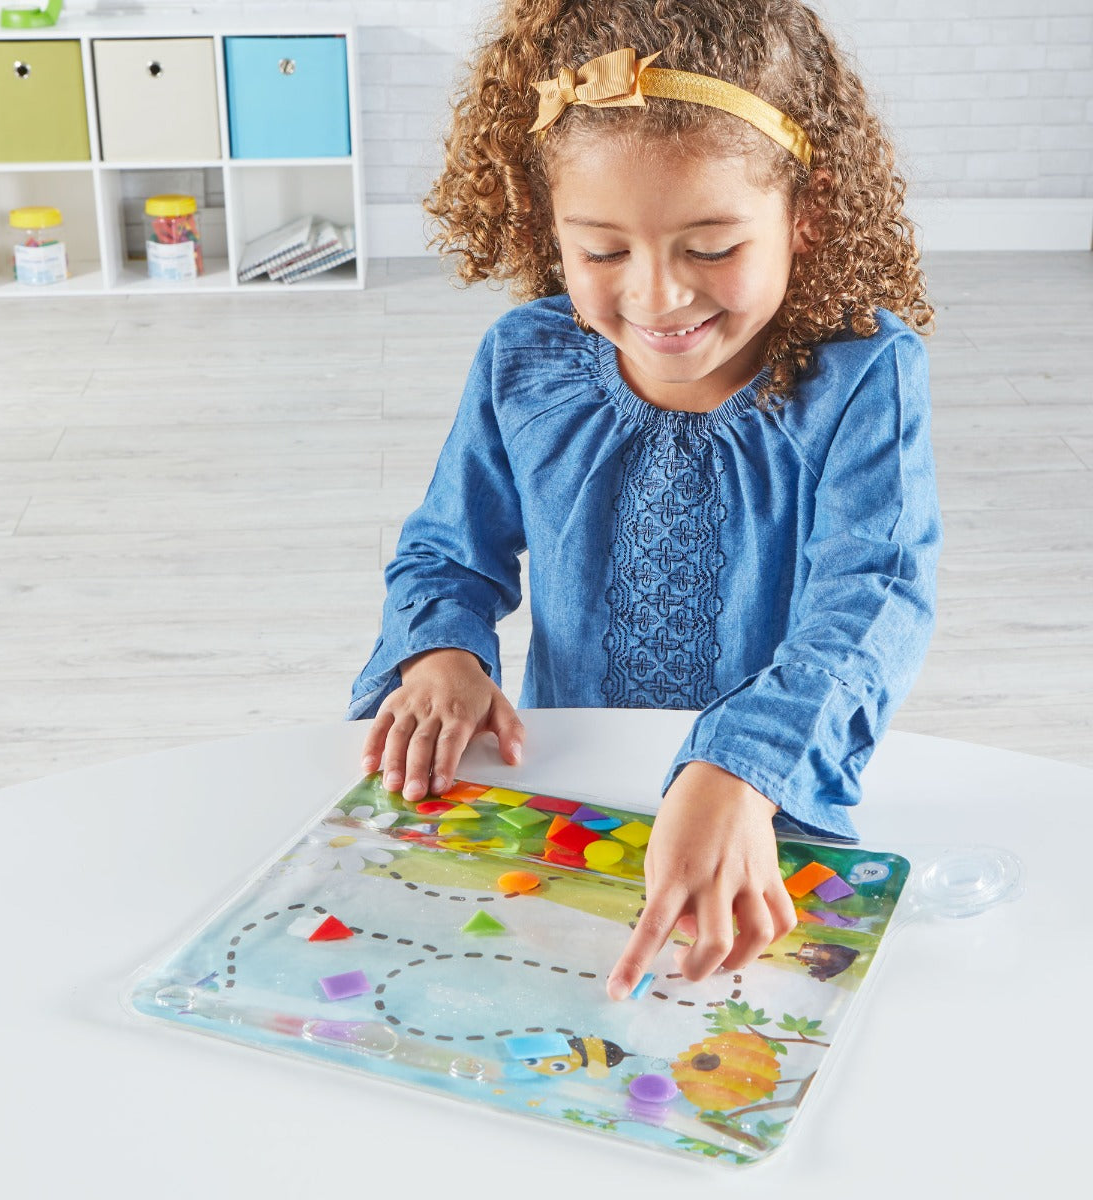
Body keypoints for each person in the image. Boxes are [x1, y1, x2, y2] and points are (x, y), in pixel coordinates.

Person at [347, 0, 941, 1001]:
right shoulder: (523, 361)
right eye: (604, 252)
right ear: (550, 227)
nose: (657, 296)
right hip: (571, 800)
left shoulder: (864, 375)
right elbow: (449, 554)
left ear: (812, 211)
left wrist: (739, 767)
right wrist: (443, 652)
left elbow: (873, 598)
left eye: (711, 247)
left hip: (764, 809)